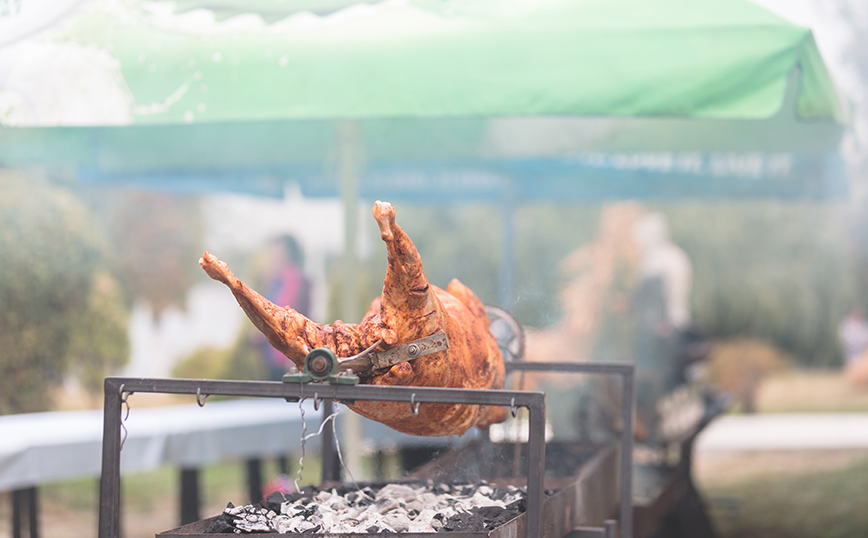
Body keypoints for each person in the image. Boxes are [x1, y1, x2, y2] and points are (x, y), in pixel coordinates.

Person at [260, 234, 312, 381]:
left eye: (277, 250)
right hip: (274, 354)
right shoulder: (276, 278)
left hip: (285, 357)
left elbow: (285, 314)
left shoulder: (293, 278)